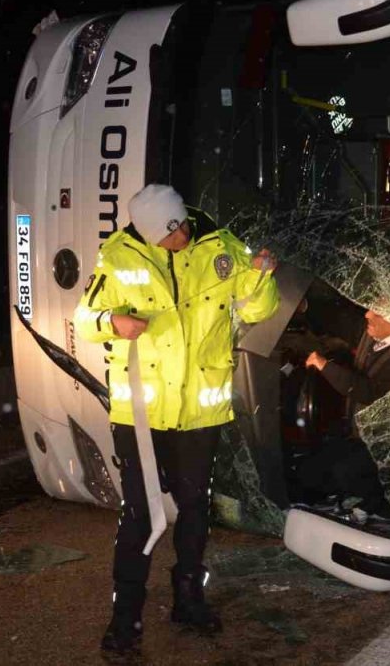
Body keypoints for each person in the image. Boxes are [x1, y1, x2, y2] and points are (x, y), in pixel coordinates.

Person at [74, 184, 279, 655]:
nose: (182, 236)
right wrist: (115, 324)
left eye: (182, 224)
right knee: (140, 515)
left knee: (194, 508)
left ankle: (189, 597)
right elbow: (85, 319)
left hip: (200, 411)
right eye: (169, 233)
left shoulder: (222, 246)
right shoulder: (118, 257)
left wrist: (263, 277)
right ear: (148, 236)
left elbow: (256, 309)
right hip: (141, 414)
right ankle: (125, 618)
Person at [300, 304, 390, 514]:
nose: (368, 314)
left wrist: (325, 365)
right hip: (356, 431)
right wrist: (305, 305)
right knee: (311, 470)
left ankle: (378, 514)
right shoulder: (373, 332)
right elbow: (337, 319)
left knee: (343, 472)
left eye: (378, 312)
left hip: (385, 441)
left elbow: (370, 392)